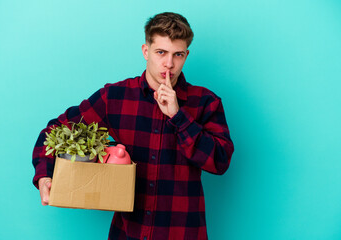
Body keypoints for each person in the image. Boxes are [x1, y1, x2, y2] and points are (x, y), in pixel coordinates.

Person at [32, 12, 234, 240]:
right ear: (146, 51)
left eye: (178, 54)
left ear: (186, 55)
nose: (169, 64)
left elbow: (220, 161)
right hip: (128, 233)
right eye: (161, 53)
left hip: (183, 232)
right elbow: (56, 130)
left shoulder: (206, 102)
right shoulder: (115, 97)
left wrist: (178, 116)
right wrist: (44, 175)